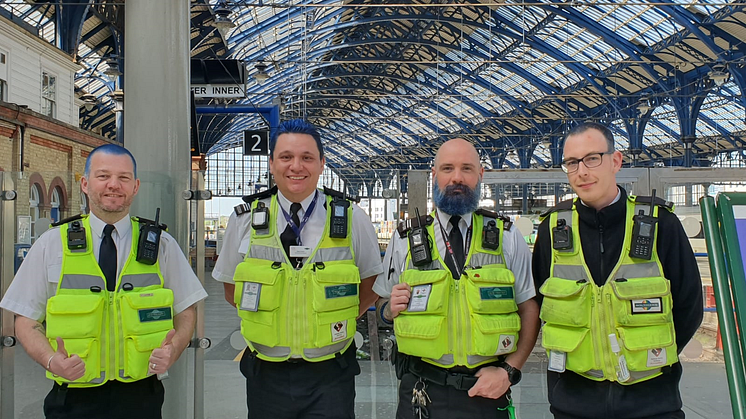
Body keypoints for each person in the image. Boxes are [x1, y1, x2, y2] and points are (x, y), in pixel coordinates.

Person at [0, 144, 208, 419]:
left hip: (140, 396)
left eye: (123, 178)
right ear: (85, 184)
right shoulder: (52, 245)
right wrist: (52, 360)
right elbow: (25, 320)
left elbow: (186, 309)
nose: (114, 185)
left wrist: (174, 349)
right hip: (72, 397)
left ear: (135, 186)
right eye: (103, 176)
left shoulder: (161, 245)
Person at [212, 119, 383, 419]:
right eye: (286, 157)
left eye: (307, 158)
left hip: (331, 372)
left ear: (321, 164)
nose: (296, 167)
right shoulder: (244, 220)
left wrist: (333, 318)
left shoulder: (352, 217)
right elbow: (231, 290)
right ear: (271, 164)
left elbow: (370, 285)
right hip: (266, 372)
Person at [532, 122, 703, 419]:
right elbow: (539, 302)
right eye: (571, 163)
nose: (582, 171)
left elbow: (689, 305)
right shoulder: (552, 230)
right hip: (574, 404)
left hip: (652, 404)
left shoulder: (660, 225)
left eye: (592, 158)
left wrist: (650, 354)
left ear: (616, 161)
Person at [374, 138, 540, 419]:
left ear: (481, 175)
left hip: (487, 390)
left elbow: (529, 308)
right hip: (421, 389)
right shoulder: (403, 240)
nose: (457, 178)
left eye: (467, 168)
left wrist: (510, 370)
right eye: (447, 168)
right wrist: (389, 309)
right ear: (434, 175)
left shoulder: (508, 238)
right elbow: (380, 306)